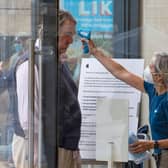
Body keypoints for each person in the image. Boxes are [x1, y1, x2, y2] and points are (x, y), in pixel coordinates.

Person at [85, 39, 168, 168]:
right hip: (160, 156)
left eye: (150, 66)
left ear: (158, 76)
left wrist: (152, 144)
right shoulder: (153, 90)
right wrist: (96, 52)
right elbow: (120, 72)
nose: (147, 69)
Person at [57, 10, 81, 168]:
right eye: (67, 34)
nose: (71, 40)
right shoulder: (34, 66)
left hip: (68, 146)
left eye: (73, 35)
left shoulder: (59, 63)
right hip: (56, 148)